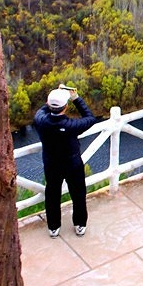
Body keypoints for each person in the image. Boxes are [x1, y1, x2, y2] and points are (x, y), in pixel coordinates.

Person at [34, 85, 98, 237]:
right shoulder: (71, 126)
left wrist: (53, 98)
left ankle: (53, 227)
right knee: (78, 195)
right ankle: (80, 224)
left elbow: (43, 110)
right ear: (66, 107)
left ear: (49, 105)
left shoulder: (41, 121)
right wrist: (76, 98)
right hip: (73, 164)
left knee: (52, 195)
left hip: (51, 164)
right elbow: (90, 118)